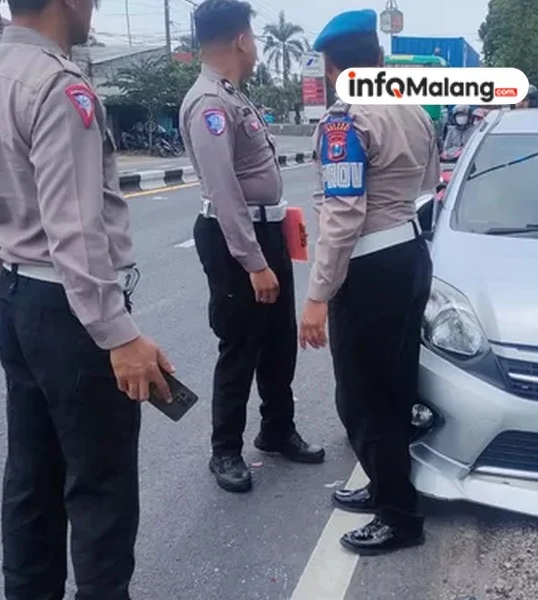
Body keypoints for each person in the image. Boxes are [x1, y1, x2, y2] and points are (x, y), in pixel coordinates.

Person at [0, 0, 174, 596]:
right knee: (100, 490)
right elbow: (74, 227)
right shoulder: (61, 86)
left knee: (31, 479)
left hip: (18, 295)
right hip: (73, 312)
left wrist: (10, 292)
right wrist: (117, 334)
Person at [299, 8, 436, 556]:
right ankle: (386, 485)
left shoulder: (345, 119)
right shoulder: (414, 111)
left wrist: (316, 296)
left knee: (364, 397)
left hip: (370, 269)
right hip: (408, 254)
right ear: (379, 60)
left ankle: (399, 515)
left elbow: (343, 215)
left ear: (333, 68)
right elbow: (426, 185)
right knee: (395, 387)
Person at [180, 0, 324, 494]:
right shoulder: (210, 105)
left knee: (278, 341)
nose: (257, 48)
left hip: (265, 231)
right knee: (241, 345)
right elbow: (224, 193)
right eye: (255, 38)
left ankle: (277, 428)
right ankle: (225, 450)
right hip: (233, 239)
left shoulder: (232, 96)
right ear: (241, 39)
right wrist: (254, 261)